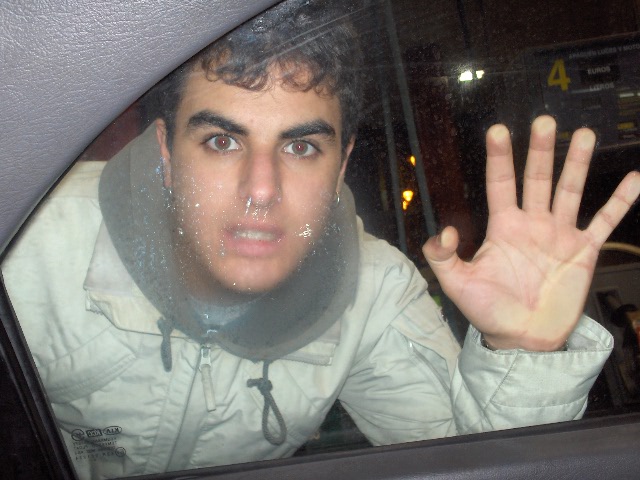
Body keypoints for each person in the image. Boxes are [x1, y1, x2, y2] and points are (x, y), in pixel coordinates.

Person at [2, 0, 639, 478]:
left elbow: (465, 460)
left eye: (301, 147)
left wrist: (521, 353)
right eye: (221, 140)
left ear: (341, 167)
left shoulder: (371, 291)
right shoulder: (28, 244)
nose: (261, 190)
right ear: (166, 153)